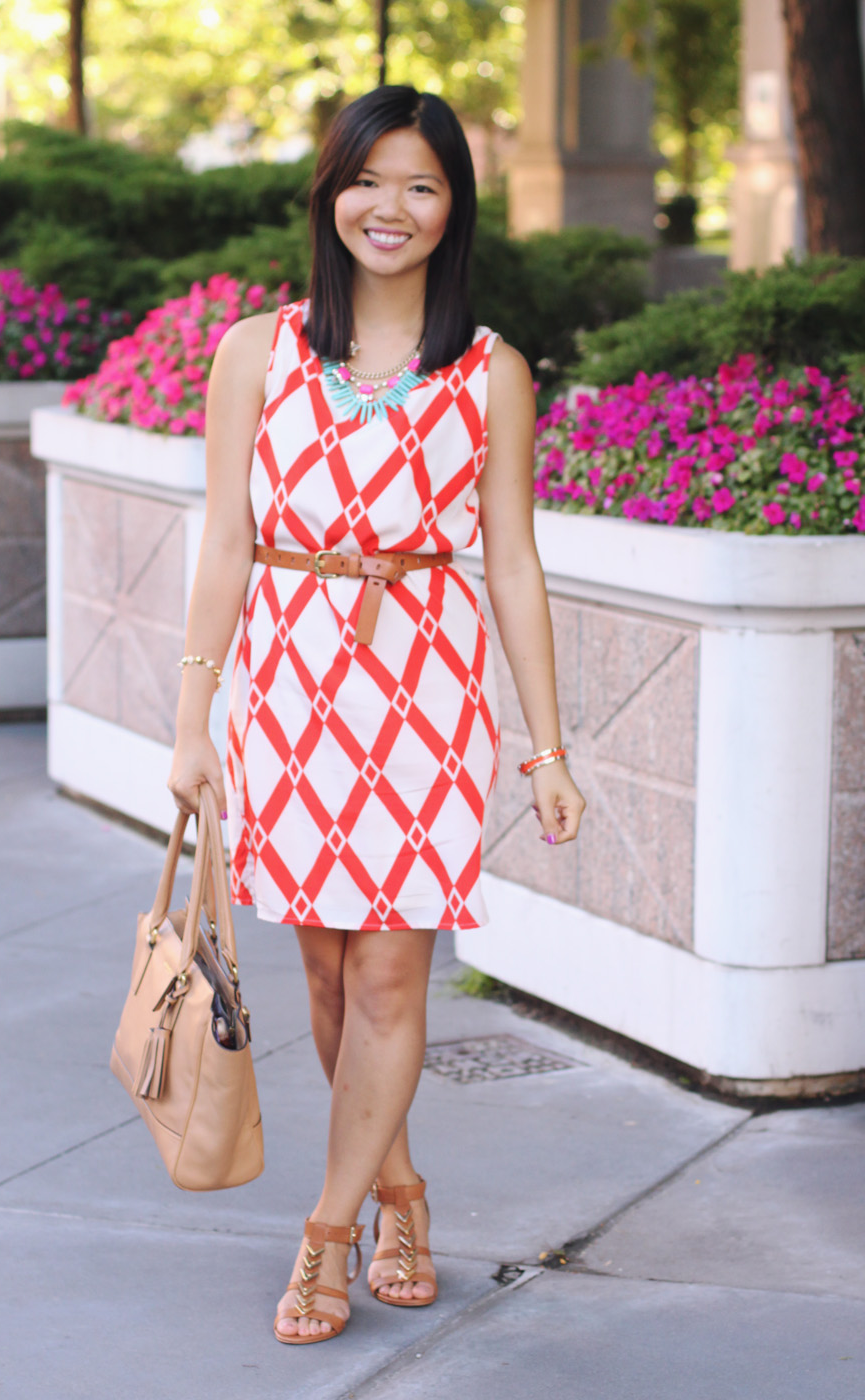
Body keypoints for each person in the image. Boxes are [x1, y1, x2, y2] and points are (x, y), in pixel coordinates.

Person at [167, 84, 585, 1346]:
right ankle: (401, 1184)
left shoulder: (490, 370)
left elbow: (510, 562)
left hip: (423, 693)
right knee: (332, 977)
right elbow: (228, 544)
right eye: (366, 180)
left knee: (395, 966)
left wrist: (546, 746)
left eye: (420, 185)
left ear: (453, 208)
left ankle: (330, 1231)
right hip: (289, 687)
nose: (387, 208)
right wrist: (193, 722)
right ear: (328, 194)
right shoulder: (255, 350)